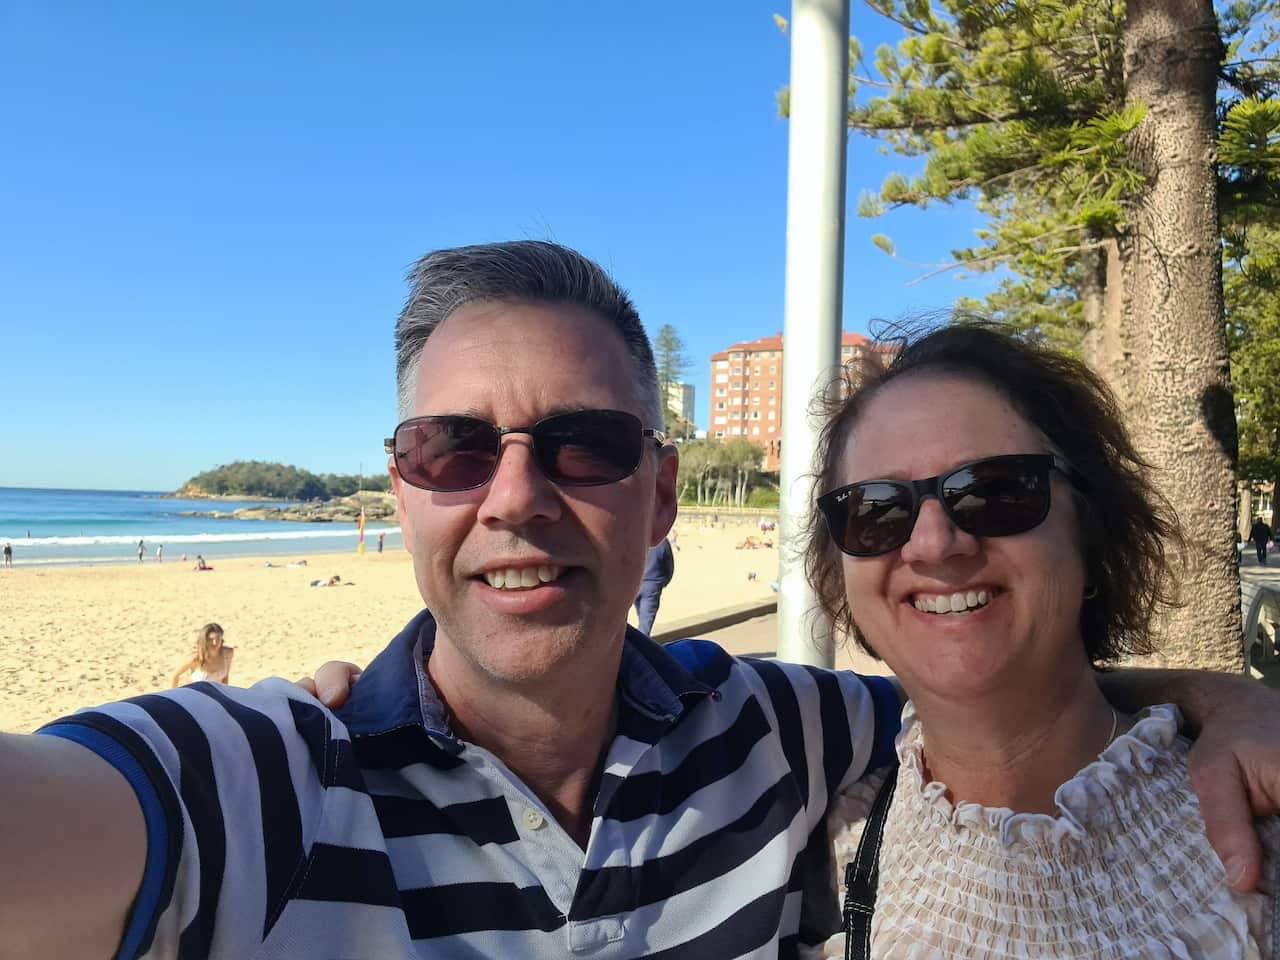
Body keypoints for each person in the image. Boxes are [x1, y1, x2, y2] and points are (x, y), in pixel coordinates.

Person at [4, 242, 1280, 960]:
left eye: (582, 447)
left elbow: (997, 697)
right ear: (401, 490)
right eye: (455, 448)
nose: (513, 498)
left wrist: (1218, 704)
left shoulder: (785, 740)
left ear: (660, 496)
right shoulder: (250, 782)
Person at [803, 322, 1280, 957]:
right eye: (876, 510)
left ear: (1089, 532)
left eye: (994, 491)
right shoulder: (823, 849)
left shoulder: (1255, 815)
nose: (934, 544)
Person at [170, 622, 234, 687]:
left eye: (218, 639)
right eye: (210, 639)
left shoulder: (227, 653)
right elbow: (175, 676)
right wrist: (173, 696)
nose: (215, 643)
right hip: (198, 695)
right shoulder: (195, 657)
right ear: (204, 640)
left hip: (216, 695)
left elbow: (225, 678)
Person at [634, 536, 674, 635]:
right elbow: (669, 566)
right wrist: (663, 582)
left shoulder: (635, 537)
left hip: (634, 584)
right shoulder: (662, 541)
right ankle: (642, 646)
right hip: (652, 585)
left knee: (641, 616)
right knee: (646, 621)